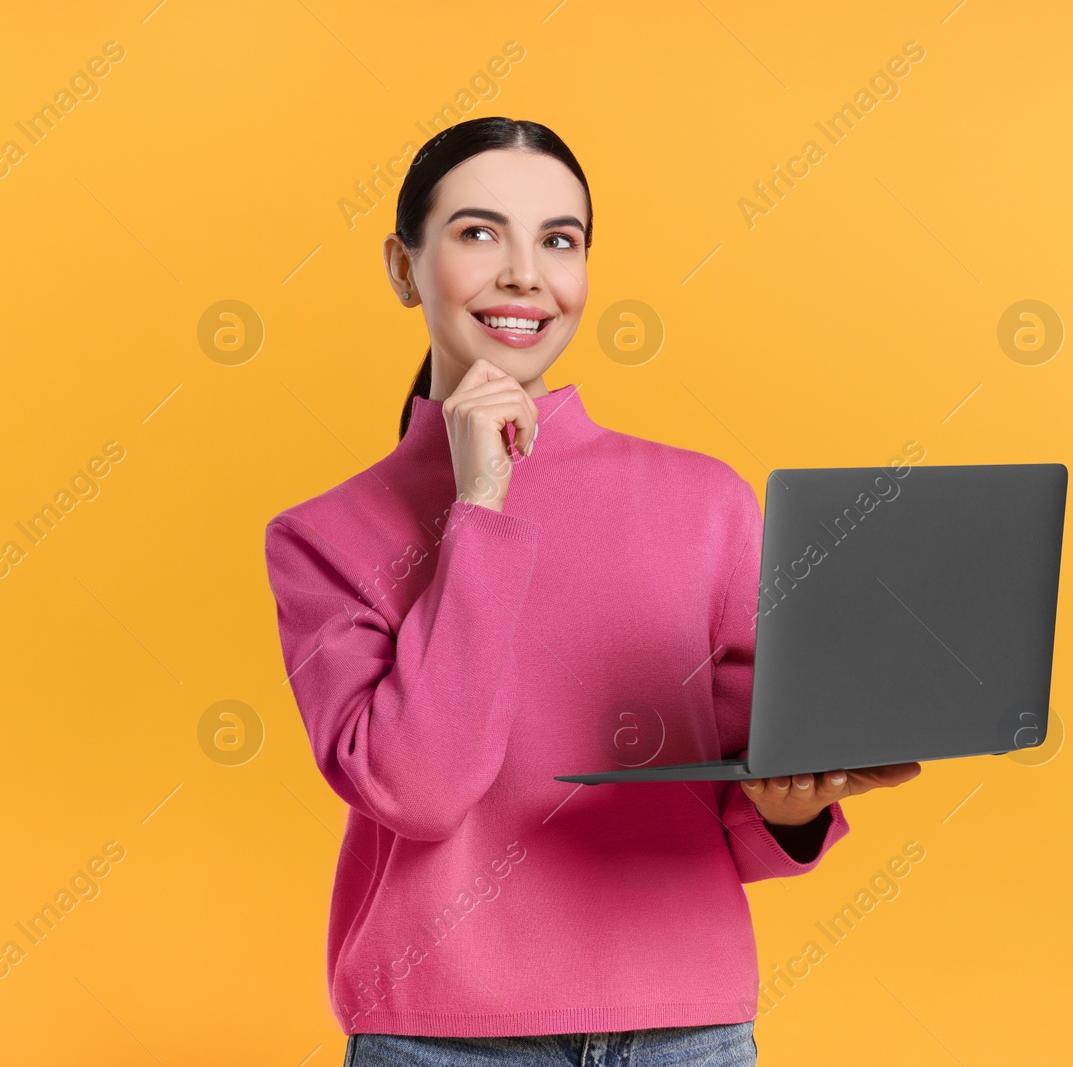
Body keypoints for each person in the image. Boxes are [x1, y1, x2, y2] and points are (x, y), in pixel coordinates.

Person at [263, 116, 921, 1066]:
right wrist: (480, 505)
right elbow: (421, 788)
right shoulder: (325, 537)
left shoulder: (705, 502)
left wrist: (794, 808)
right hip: (443, 1040)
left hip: (686, 1030)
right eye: (479, 232)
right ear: (404, 269)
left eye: (559, 240)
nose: (526, 273)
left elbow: (737, 800)